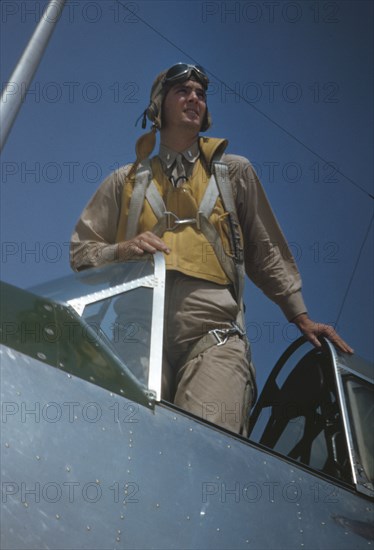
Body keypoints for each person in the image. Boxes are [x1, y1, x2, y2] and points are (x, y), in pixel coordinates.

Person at [70, 63, 353, 435]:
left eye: (200, 94)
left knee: (204, 447)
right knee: (126, 447)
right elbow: (81, 253)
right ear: (159, 106)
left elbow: (265, 250)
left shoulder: (233, 173)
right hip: (137, 331)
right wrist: (122, 250)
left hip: (214, 332)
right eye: (182, 91)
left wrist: (299, 315)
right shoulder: (123, 182)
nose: (194, 99)